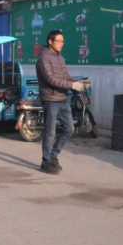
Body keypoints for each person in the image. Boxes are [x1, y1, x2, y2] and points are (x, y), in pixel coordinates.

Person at [36, 30, 85, 175]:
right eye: (58, 41)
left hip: (63, 98)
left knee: (69, 128)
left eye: (62, 41)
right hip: (51, 99)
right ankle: (46, 162)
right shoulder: (43, 59)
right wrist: (71, 85)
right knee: (50, 132)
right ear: (50, 41)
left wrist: (78, 82)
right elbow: (51, 79)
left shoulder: (59, 58)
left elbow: (66, 77)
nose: (61, 44)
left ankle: (53, 155)